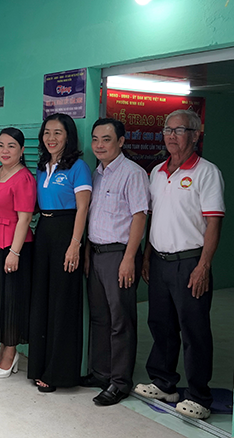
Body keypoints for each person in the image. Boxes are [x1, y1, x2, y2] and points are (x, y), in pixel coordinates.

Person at [135, 110, 224, 420]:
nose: (171, 136)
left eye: (179, 130)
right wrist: (147, 256)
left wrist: (204, 266)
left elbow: (214, 223)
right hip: (159, 261)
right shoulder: (156, 172)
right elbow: (153, 219)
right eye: (167, 130)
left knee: (194, 330)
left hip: (190, 263)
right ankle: (164, 383)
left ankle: (199, 396)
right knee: (161, 324)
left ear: (195, 135)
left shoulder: (207, 172)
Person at [82, 118, 149, 406]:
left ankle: (120, 382)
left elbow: (139, 216)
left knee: (121, 320)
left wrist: (129, 258)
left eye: (106, 139)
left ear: (120, 142)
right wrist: (87, 252)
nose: (99, 145)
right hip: (96, 254)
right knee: (100, 318)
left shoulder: (133, 173)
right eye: (95, 139)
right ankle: (101, 373)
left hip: (119, 255)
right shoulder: (96, 174)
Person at [28, 113, 92, 392]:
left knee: (62, 302)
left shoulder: (78, 167)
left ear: (69, 137)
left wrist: (75, 245)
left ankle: (59, 373)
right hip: (44, 231)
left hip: (67, 233)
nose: (51, 138)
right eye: (47, 133)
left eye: (58, 133)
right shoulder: (42, 167)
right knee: (42, 299)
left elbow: (83, 208)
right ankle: (39, 366)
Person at [0, 127, 36, 379]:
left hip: (13, 244)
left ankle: (10, 354)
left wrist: (15, 252)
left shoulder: (24, 178)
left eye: (11, 146)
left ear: (22, 150)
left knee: (12, 300)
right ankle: (3, 350)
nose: (4, 150)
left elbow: (25, 219)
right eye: (1, 145)